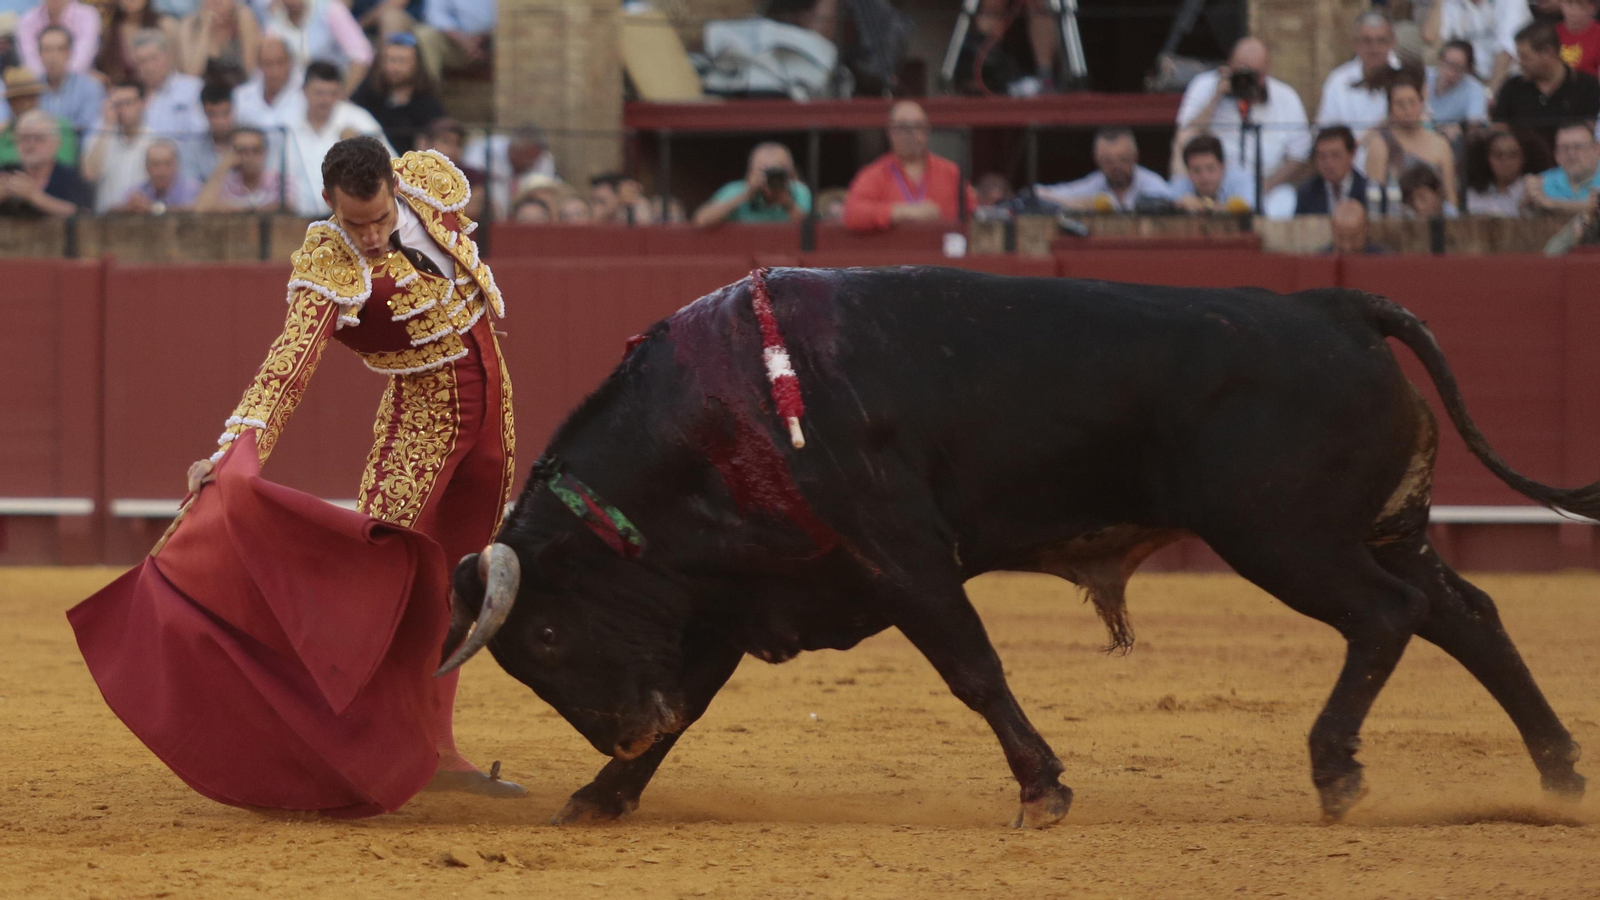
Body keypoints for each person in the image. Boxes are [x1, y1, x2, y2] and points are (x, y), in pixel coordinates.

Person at [71, 137, 523, 819]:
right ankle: (336, 756)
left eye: (377, 220)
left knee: (457, 586)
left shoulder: (428, 184)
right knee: (379, 593)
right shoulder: (327, 264)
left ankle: (439, 754)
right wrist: (233, 453)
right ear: (328, 204)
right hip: (419, 428)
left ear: (394, 191)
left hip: (495, 422)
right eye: (354, 223)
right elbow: (290, 364)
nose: (369, 237)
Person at [1172, 36, 1310, 215]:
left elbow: (1299, 154)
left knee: (1282, 207)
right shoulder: (1205, 85)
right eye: (1243, 73)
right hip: (1211, 182)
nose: (1249, 81)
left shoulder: (1286, 97)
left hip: (1266, 184)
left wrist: (1265, 186)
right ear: (1230, 65)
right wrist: (1216, 96)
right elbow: (1186, 134)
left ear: (1267, 69)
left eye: (1256, 75)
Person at [843, 100, 976, 231]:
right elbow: (852, 214)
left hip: (940, 250)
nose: (910, 134)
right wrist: (902, 212)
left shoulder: (951, 173)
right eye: (902, 127)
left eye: (917, 126)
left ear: (927, 130)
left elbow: (974, 214)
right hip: (894, 251)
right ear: (890, 132)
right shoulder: (873, 174)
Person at [283, 59, 389, 215]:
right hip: (292, 221)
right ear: (304, 91)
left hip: (348, 220)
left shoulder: (360, 121)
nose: (326, 100)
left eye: (332, 93)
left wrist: (359, 146)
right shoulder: (286, 123)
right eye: (319, 93)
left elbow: (390, 166)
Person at [1493, 21, 1600, 154]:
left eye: (1525, 57)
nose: (1519, 63)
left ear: (1548, 53)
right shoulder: (1512, 87)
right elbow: (1498, 133)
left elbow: (1590, 133)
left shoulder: (1587, 86)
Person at [1364, 68, 1460, 207]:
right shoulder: (1379, 144)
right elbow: (1374, 199)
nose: (1408, 110)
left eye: (1412, 102)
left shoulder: (1440, 144)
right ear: (1391, 109)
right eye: (1400, 104)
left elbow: (1450, 200)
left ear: (1421, 103)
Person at [1037, 127, 1172, 212]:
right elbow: (1042, 193)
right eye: (1108, 161)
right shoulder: (1094, 183)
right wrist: (1073, 203)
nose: (1116, 166)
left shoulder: (1153, 183)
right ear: (1097, 160)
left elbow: (1173, 203)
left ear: (1135, 157)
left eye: (1123, 159)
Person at [351, 31, 443, 153]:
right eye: (391, 60)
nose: (395, 68)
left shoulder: (429, 105)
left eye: (402, 61)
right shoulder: (366, 96)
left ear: (416, 64)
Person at [1317, 12, 1402, 139]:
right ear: (1355, 44)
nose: (1374, 48)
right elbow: (1326, 133)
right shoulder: (1337, 80)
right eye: (1367, 41)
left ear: (1393, 42)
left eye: (1381, 40)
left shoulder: (1407, 77)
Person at [693, 142, 811, 227]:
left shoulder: (799, 192)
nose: (770, 178)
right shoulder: (737, 190)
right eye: (763, 172)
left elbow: (811, 232)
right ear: (750, 172)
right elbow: (701, 220)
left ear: (790, 173)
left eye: (776, 172)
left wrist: (788, 204)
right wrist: (746, 194)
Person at [130, 27, 208, 157]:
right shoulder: (132, 96)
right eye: (142, 62)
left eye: (154, 58)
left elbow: (200, 134)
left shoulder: (192, 89)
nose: (149, 67)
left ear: (167, 56)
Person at [267, 0, 371, 94]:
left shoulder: (329, 9)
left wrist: (341, 96)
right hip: (294, 95)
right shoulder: (275, 23)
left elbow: (361, 54)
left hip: (332, 88)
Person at [83, 81, 158, 212]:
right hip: (107, 220)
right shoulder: (100, 135)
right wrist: (108, 126)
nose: (122, 109)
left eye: (128, 103)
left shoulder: (156, 140)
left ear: (143, 103)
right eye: (117, 104)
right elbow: (90, 174)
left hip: (145, 218)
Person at [1422, 0, 1530, 89]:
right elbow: (1431, 37)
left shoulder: (1512, 2)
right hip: (1469, 78)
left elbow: (1506, 51)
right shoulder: (1452, 3)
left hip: (1508, 80)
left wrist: (1490, 93)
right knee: (1431, 56)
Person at [0, 107, 82, 214]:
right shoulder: (6, 173)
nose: (31, 145)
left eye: (39, 138)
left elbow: (85, 216)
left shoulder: (71, 177)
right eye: (24, 138)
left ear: (55, 143)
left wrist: (35, 197)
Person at [463, 124, 554, 219]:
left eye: (533, 157)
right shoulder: (483, 149)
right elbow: (471, 183)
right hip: (488, 210)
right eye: (526, 155)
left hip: (523, 207)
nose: (530, 162)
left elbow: (544, 189)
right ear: (513, 149)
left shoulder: (543, 158)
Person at [195, 123, 282, 209]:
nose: (249, 157)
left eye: (255, 150)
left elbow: (285, 208)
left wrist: (227, 207)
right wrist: (223, 166)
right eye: (242, 151)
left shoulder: (279, 182)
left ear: (264, 152)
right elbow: (201, 208)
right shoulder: (226, 183)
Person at [0, 65, 75, 165]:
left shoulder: (59, 126)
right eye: (17, 99)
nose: (25, 104)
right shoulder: (5, 133)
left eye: (30, 97)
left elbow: (66, 162)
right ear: (10, 103)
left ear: (38, 98)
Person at [35, 25, 101, 135]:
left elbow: (90, 133)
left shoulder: (90, 88)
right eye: (47, 49)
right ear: (39, 54)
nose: (53, 56)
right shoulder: (30, 89)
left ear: (70, 52)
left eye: (60, 49)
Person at [95, 0, 180, 86]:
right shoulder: (110, 31)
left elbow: (174, 68)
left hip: (162, 90)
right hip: (121, 92)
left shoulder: (165, 25)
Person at [1526, 118, 1600, 211]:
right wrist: (1528, 201)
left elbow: (1597, 209)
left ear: (1597, 150)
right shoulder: (1543, 181)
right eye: (1564, 148)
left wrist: (1553, 204)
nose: (1571, 154)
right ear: (1556, 155)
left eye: (1578, 147)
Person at [1169, 134, 1255, 213]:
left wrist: (1205, 206)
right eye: (1196, 170)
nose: (1204, 177)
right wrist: (1179, 205)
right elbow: (1166, 206)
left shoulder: (1242, 180)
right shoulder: (1180, 184)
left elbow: (1248, 209)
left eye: (1210, 169)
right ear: (1187, 171)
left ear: (1223, 167)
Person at [231, 33, 303, 129]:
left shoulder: (305, 95)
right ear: (259, 65)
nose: (275, 71)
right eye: (268, 64)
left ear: (290, 62)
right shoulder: (241, 96)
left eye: (280, 62)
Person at [1296, 125, 1372, 214]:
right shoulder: (1307, 192)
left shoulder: (1369, 191)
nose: (1329, 163)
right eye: (1323, 157)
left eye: (1336, 155)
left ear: (1352, 154)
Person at [177, 0, 259, 82]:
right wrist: (205, 27)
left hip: (238, 88)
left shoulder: (243, 18)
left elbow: (251, 68)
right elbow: (192, 74)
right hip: (202, 90)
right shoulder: (190, 24)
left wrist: (242, 25)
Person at [416, 115, 480, 218]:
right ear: (425, 144)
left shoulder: (472, 177)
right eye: (445, 141)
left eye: (458, 144)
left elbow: (472, 210)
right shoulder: (413, 175)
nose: (452, 150)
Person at [114, 137, 202, 211]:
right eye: (155, 164)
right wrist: (127, 208)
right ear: (146, 167)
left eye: (167, 164)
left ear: (177, 166)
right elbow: (109, 211)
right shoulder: (139, 190)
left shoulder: (193, 190)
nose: (161, 171)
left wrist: (153, 208)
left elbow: (197, 210)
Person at [16, 0, 98, 77]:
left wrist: (63, 81)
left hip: (80, 79)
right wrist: (49, 81)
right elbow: (31, 61)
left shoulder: (88, 15)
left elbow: (83, 58)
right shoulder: (26, 20)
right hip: (40, 83)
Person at [1427, 39, 1490, 136]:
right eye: (1447, 64)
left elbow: (1474, 124)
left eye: (1458, 68)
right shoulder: (1424, 77)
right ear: (1439, 60)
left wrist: (1459, 128)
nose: (1450, 73)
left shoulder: (1474, 89)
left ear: (1467, 69)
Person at [1464, 129, 1536, 213]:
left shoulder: (1532, 192)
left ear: (1523, 158)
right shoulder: (1473, 194)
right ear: (1487, 158)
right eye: (1498, 154)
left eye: (1512, 155)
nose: (1505, 161)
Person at [419, 0, 493, 76]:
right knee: (425, 35)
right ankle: (429, 85)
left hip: (492, 44)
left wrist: (482, 39)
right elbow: (435, 15)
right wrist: (463, 40)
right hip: (457, 45)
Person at [1557, 0, 1600, 75]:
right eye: (1569, 3)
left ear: (1592, 7)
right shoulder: (1553, 33)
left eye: (1581, 5)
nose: (1573, 10)